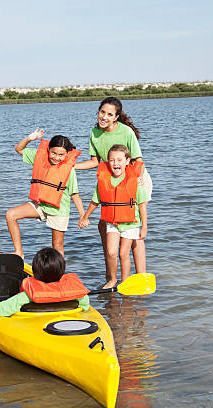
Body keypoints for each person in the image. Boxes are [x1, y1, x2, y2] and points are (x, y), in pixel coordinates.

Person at [75, 97, 152, 280]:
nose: (104, 117)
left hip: (136, 180)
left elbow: (138, 161)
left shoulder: (126, 132)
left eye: (110, 114)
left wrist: (134, 182)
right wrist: (73, 166)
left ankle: (140, 276)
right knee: (105, 225)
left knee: (133, 226)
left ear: (116, 117)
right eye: (102, 112)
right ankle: (111, 276)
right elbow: (95, 162)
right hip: (112, 182)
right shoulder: (94, 133)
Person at [6, 128, 85, 258]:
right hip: (41, 204)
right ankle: (18, 252)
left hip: (59, 209)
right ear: (48, 150)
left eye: (61, 155)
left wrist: (82, 216)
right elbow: (18, 149)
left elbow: (75, 195)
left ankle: (60, 274)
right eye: (53, 153)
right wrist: (29, 139)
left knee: (57, 246)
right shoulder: (40, 158)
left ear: (66, 155)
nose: (57, 157)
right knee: (11, 215)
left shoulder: (69, 170)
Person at [78, 145, 148, 288]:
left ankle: (125, 282)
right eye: (112, 160)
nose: (116, 163)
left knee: (123, 254)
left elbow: (141, 206)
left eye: (119, 160)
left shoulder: (135, 182)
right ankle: (113, 280)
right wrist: (85, 217)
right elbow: (94, 202)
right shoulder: (103, 181)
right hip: (111, 223)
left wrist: (144, 227)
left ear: (127, 161)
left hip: (131, 224)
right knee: (111, 252)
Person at [0, 247, 90, 316]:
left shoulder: (26, 297)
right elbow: (85, 308)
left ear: (34, 273)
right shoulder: (79, 296)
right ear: (62, 271)